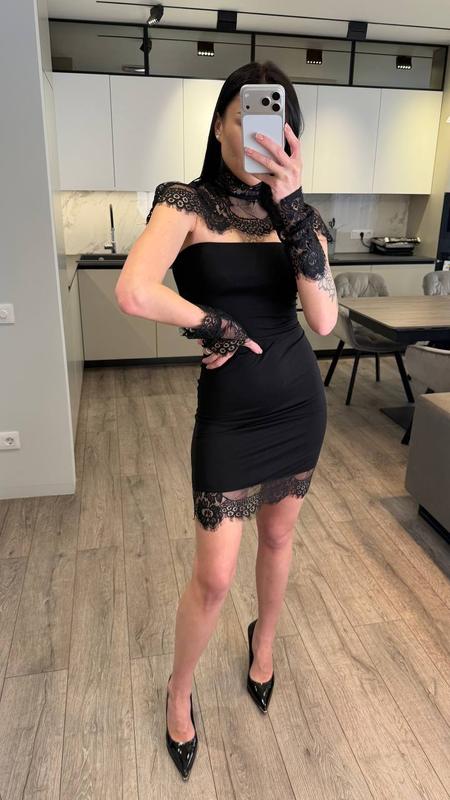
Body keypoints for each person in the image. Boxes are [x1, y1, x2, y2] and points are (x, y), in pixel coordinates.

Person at [115, 60, 338, 781]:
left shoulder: (301, 218)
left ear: (291, 137)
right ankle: (178, 689)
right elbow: (135, 290)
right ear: (219, 125)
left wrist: (292, 204)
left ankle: (263, 643)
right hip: (230, 417)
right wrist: (214, 325)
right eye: (246, 118)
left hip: (297, 405)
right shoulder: (184, 202)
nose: (258, 135)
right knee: (213, 576)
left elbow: (323, 319)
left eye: (275, 122)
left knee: (278, 538)